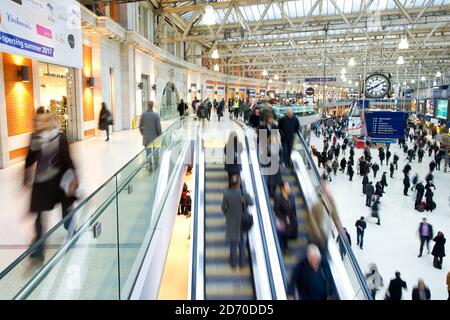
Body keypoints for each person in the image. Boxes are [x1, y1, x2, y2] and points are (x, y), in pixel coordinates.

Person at [24, 108, 78, 261]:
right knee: (40, 215)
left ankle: (71, 228)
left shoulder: (60, 137)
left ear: (49, 121)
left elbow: (68, 159)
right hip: (41, 183)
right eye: (37, 120)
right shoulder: (35, 138)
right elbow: (29, 159)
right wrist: (26, 176)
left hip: (59, 181)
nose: (39, 123)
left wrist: (74, 178)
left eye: (43, 120)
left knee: (66, 210)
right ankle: (39, 249)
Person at [221, 175, 254, 268]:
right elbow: (251, 203)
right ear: (239, 183)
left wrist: (228, 215)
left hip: (231, 222)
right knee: (243, 243)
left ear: (231, 183)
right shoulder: (244, 193)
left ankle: (233, 263)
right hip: (243, 222)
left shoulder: (226, 194)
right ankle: (242, 263)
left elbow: (223, 208)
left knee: (233, 243)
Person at [273, 181, 297, 253]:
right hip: (282, 220)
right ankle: (281, 248)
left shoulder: (291, 196)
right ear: (282, 188)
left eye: (288, 186)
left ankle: (285, 247)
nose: (289, 188)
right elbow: (276, 210)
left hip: (290, 220)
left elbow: (293, 208)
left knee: (287, 234)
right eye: (287, 186)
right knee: (282, 234)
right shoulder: (278, 198)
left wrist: (292, 218)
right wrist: (284, 217)